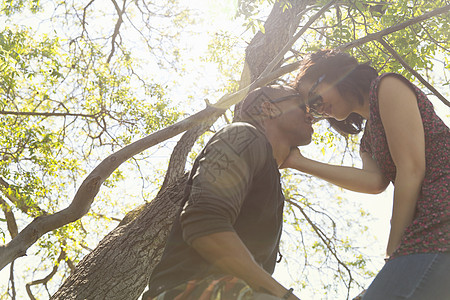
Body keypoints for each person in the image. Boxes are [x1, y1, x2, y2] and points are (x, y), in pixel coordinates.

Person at [282, 49, 449, 299]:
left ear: (336, 73)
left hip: (441, 213)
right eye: (312, 109)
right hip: (428, 222)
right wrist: (298, 162)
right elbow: (374, 182)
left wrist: (393, 252)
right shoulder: (368, 140)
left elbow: (411, 169)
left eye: (315, 97)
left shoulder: (387, 86)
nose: (319, 109)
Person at [142, 85, 314, 300]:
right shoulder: (242, 135)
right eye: (301, 105)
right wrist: (284, 296)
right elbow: (204, 223)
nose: (311, 114)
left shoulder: (271, 180)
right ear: (269, 108)